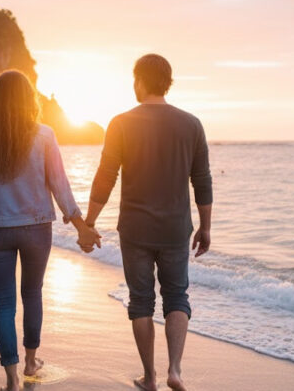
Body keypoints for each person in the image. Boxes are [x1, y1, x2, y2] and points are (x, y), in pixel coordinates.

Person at [81, 54, 213, 391]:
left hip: (136, 229)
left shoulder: (121, 123)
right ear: (167, 82)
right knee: (177, 296)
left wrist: (89, 223)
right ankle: (176, 371)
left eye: (134, 78)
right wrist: (205, 226)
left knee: (141, 300)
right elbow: (202, 180)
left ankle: (151, 378)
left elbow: (105, 177)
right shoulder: (191, 124)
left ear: (140, 80)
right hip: (175, 229)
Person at [0, 70, 101, 391]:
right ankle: (30, 361)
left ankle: (11, 378)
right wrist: (80, 224)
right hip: (37, 228)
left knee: (4, 304)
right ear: (30, 100)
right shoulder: (44, 135)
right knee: (32, 293)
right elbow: (60, 185)